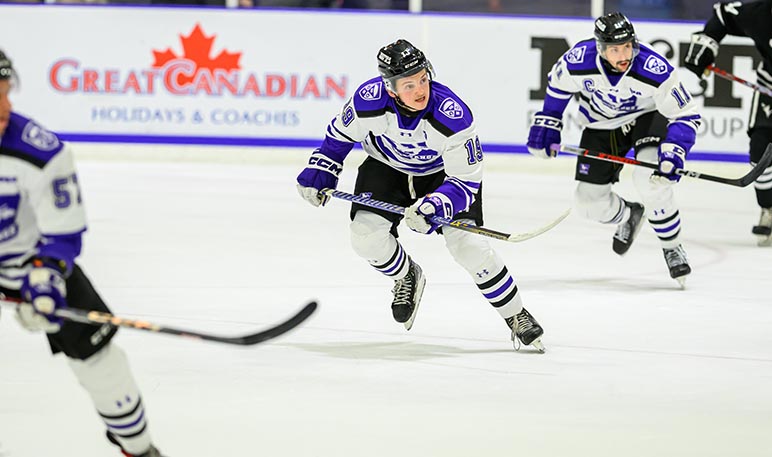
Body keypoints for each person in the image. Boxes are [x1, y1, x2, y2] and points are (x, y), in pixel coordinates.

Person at [296, 39, 544, 351]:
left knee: (469, 247)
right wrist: (321, 170)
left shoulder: (452, 115)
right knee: (364, 237)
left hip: (441, 177)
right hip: (386, 169)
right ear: (391, 88)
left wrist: (435, 203)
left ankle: (515, 314)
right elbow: (339, 136)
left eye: (423, 78)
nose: (420, 89)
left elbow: (466, 180)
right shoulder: (368, 100)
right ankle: (406, 275)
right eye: (409, 84)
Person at [0, 50, 164, 457]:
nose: (5, 107)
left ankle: (138, 448)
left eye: (6, 92)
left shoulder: (41, 152)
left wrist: (46, 275)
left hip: (26, 263)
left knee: (100, 360)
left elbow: (63, 232)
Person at [527, 12, 701, 286]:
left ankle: (672, 246)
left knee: (650, 180)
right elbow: (558, 85)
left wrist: (675, 149)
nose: (624, 55)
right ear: (600, 48)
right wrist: (549, 122)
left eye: (628, 46)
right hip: (601, 123)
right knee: (588, 203)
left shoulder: (654, 68)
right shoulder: (579, 60)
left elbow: (686, 113)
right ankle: (629, 214)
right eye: (615, 49)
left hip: (648, 117)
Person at [683, 0, 772, 246]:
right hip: (770, 90)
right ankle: (769, 208)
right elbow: (723, 14)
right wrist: (705, 45)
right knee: (759, 152)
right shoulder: (760, 14)